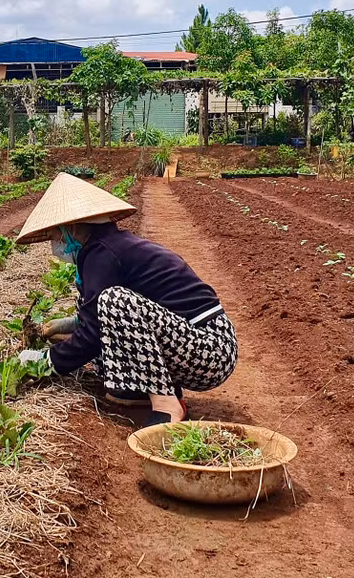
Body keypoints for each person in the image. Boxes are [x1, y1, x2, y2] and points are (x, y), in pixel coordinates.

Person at [16, 173, 237, 426]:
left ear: (72, 227)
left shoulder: (103, 253)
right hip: (190, 343)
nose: (54, 242)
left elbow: (94, 332)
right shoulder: (107, 247)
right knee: (99, 316)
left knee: (113, 301)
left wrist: (46, 362)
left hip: (210, 350)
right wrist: (69, 325)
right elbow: (95, 321)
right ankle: (140, 391)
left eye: (55, 234)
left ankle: (167, 405)